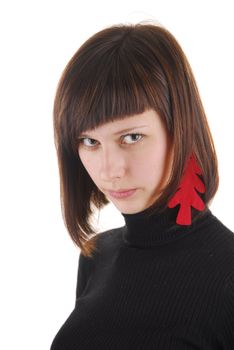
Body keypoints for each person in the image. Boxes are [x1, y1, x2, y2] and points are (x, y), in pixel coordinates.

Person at [50, 21, 234, 349]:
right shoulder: (96, 258)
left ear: (181, 129)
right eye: (90, 141)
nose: (110, 170)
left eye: (131, 137)